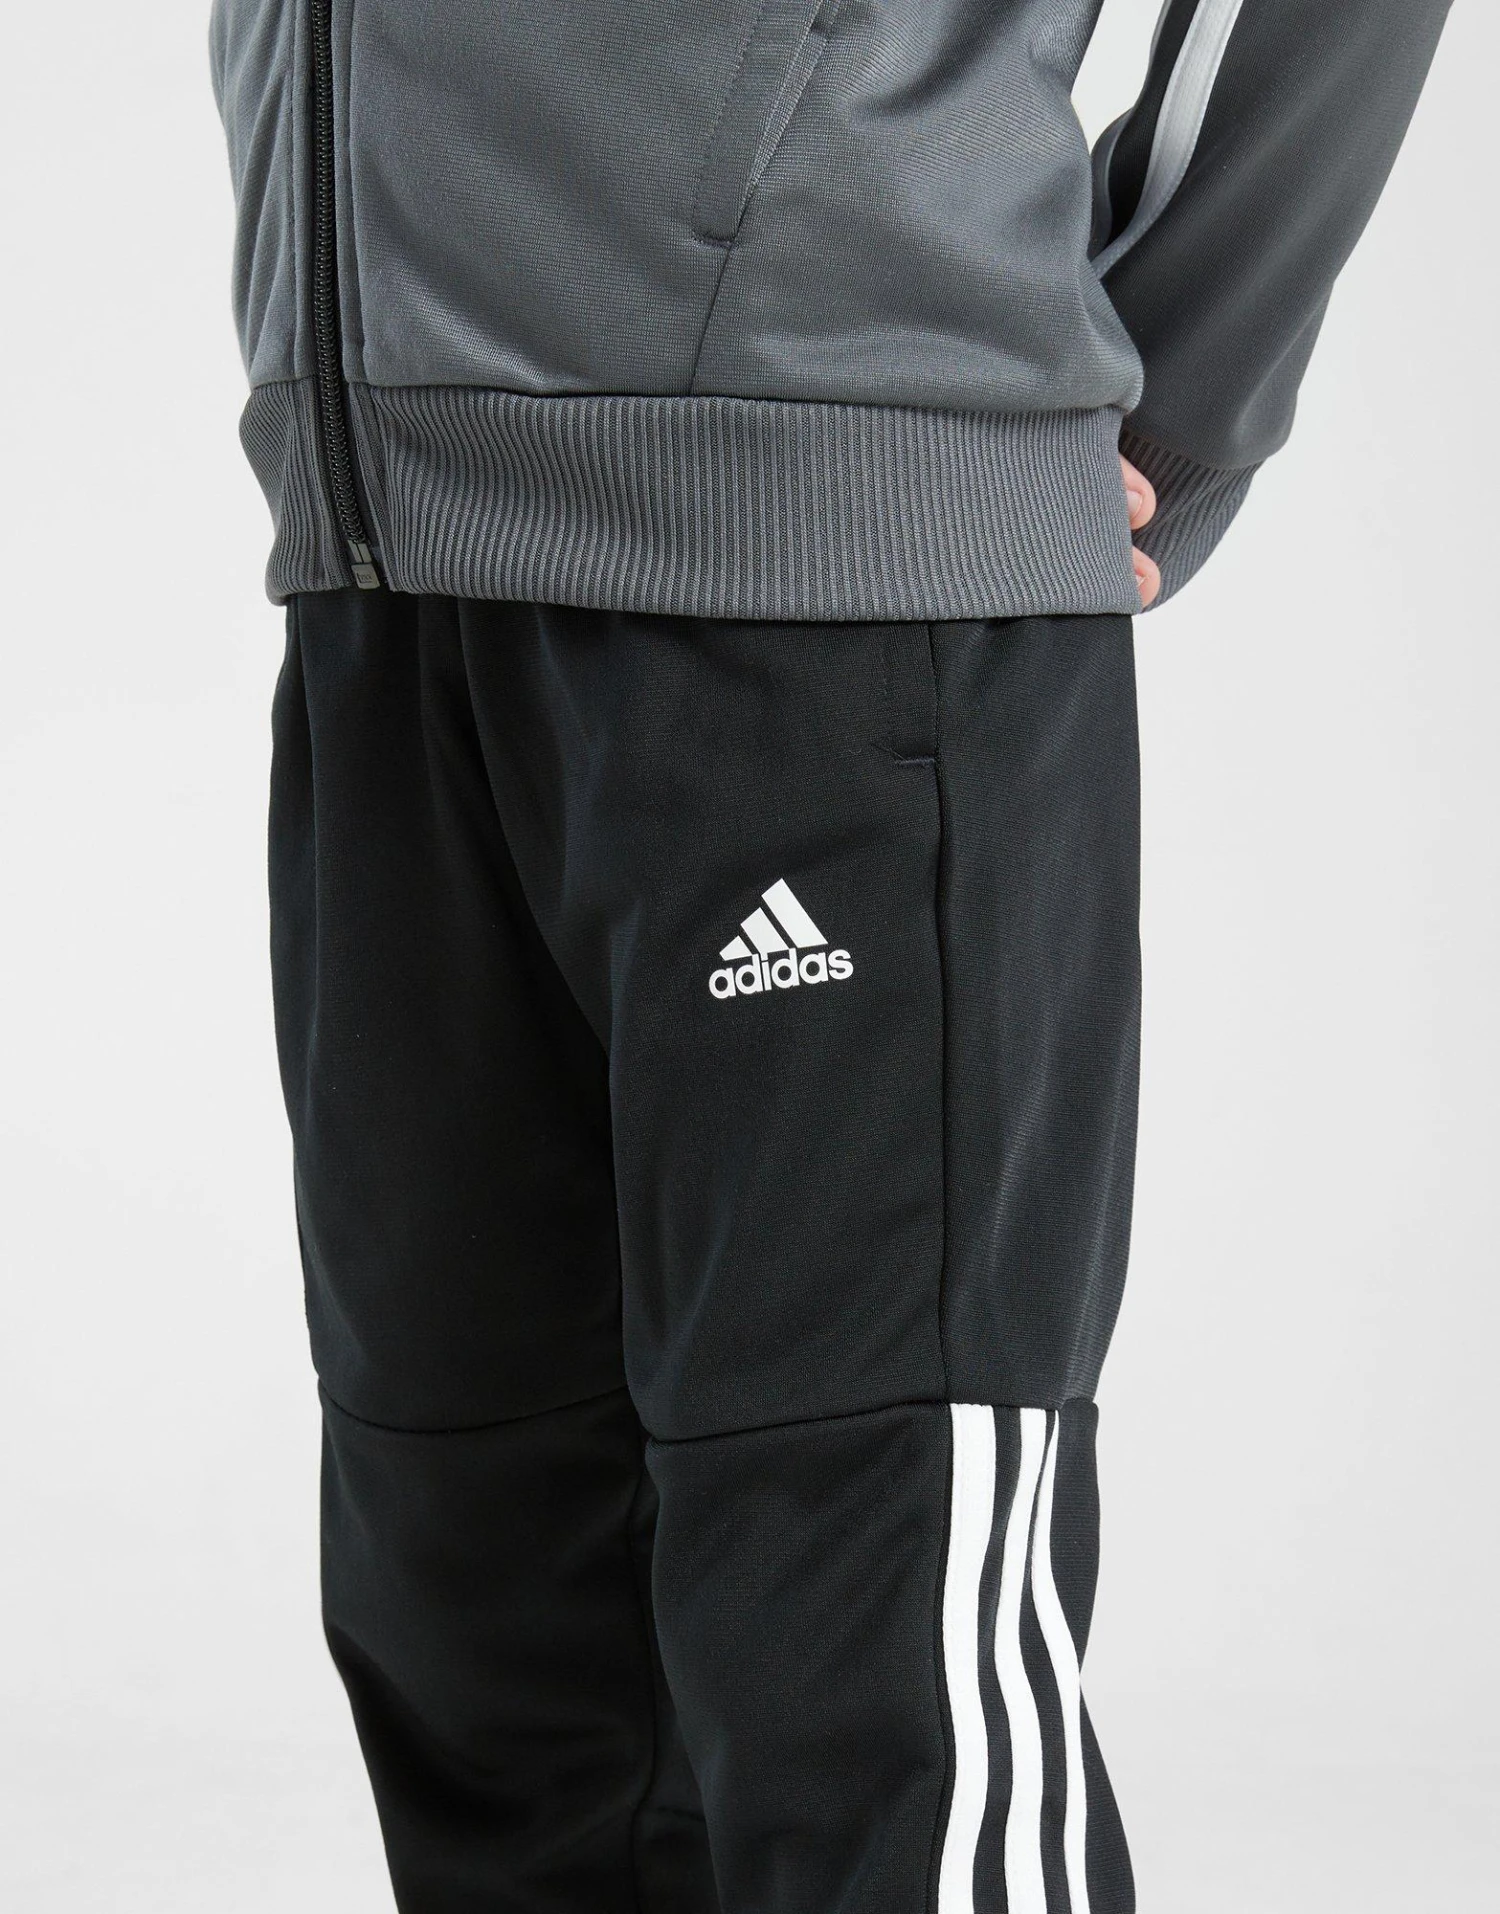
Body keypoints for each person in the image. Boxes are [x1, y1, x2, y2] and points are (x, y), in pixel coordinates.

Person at [210, 4, 1450, 1909]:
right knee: (482, 1634)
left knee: (862, 1676)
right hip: (383, 563)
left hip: (841, 568)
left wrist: (1165, 386)